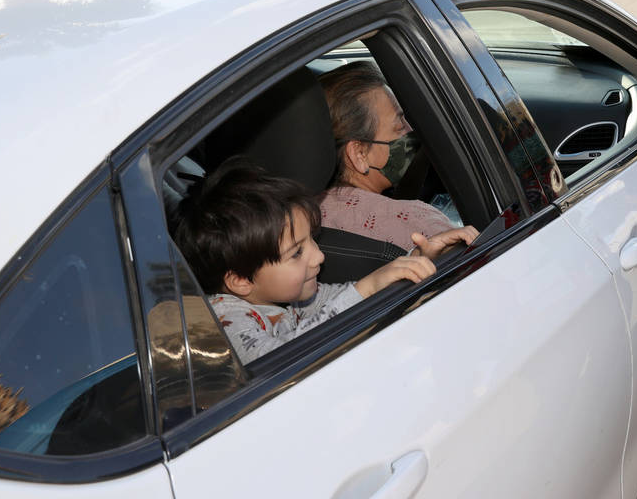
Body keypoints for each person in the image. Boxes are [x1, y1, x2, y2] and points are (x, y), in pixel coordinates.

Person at [172, 158, 473, 364]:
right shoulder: (224, 322)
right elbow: (273, 359)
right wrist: (366, 290)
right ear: (240, 280)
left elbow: (338, 300)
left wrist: (417, 259)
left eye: (312, 240)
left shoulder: (288, 297)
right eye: (297, 253)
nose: (319, 256)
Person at [318, 61, 475, 251]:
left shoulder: (294, 218)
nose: (411, 130)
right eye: (399, 126)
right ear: (359, 154)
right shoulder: (421, 225)